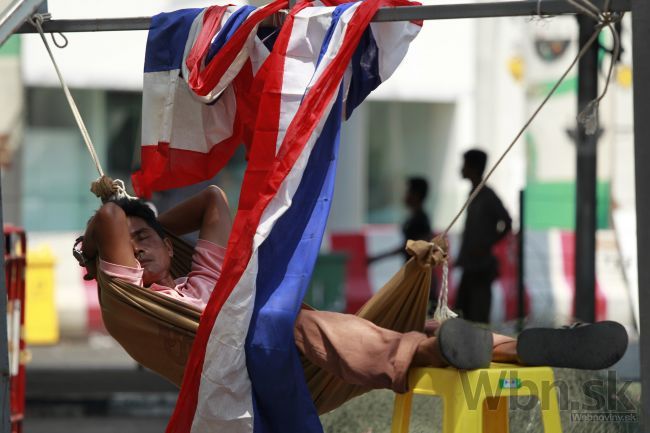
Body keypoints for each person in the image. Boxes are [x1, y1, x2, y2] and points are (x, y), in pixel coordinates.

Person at [74, 186, 627, 398]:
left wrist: (155, 225)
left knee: (424, 337)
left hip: (286, 358)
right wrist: (125, 225)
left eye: (149, 240)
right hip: (241, 370)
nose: (139, 248)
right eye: (129, 243)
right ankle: (439, 347)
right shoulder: (132, 297)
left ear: (173, 247)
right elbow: (107, 218)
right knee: (286, 321)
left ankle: (526, 347)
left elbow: (214, 201)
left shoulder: (203, 275)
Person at [455, 149, 512, 323]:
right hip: (469, 266)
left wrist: (486, 244)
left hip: (481, 268)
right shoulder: (474, 193)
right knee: (462, 313)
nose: (461, 169)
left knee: (477, 318)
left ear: (472, 167)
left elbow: (507, 222)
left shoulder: (487, 195)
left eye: (464, 164)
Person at [369, 177, 433, 263]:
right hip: (412, 267)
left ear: (416, 195)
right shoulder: (414, 217)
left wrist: (379, 257)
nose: (405, 195)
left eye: (408, 192)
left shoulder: (421, 219)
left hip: (417, 270)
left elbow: (416, 246)